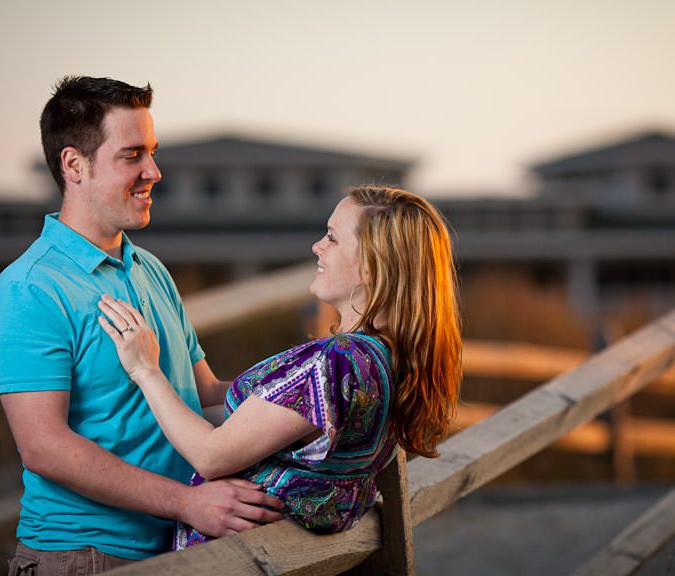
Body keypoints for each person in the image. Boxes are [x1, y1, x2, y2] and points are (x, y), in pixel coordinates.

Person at [0, 76, 283, 575]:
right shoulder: (30, 288)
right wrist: (187, 503)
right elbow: (44, 448)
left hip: (177, 547)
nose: (154, 172)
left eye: (153, 153)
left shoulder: (149, 268)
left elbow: (203, 393)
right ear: (74, 165)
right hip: (83, 557)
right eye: (132, 155)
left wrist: (307, 389)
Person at [97, 184, 462, 548]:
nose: (317, 246)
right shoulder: (386, 361)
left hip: (234, 560)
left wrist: (146, 370)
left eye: (332, 238)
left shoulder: (334, 363)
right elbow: (260, 416)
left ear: (372, 266)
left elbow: (211, 455)